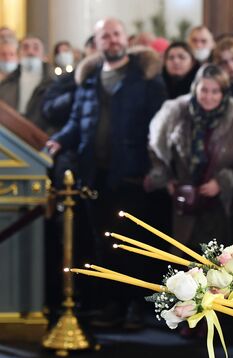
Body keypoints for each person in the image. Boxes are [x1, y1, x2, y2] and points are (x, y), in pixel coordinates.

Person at [46, 18, 166, 328]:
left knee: (135, 243)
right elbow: (77, 122)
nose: (111, 40)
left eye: (116, 34)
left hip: (131, 175)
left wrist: (155, 167)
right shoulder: (88, 80)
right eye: (105, 37)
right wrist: (58, 140)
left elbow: (159, 127)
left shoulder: (146, 79)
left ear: (125, 38)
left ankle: (135, 309)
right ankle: (112, 304)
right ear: (97, 44)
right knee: (103, 244)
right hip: (95, 175)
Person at [146, 63, 233, 251]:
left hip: (220, 206)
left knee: (218, 263)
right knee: (184, 261)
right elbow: (155, 145)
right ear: (195, 89)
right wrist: (166, 177)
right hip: (184, 202)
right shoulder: (176, 113)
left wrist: (223, 181)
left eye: (215, 91)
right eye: (204, 90)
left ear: (224, 93)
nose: (208, 97)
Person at [0, 36, 54, 132]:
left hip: (42, 136)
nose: (30, 52)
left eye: (36, 48)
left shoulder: (54, 84)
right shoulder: (6, 85)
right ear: (19, 54)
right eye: (25, 47)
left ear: (44, 55)